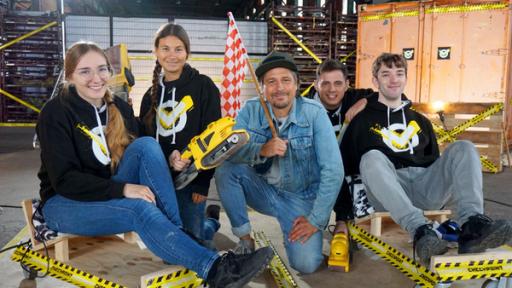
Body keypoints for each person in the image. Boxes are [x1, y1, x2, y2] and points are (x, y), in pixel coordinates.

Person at [37, 41, 273, 287]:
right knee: (141, 210)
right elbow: (64, 180)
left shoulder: (118, 108)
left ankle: (175, 234)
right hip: (64, 202)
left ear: (110, 71)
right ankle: (216, 270)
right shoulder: (55, 113)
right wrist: (124, 190)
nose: (96, 78)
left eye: (102, 69)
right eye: (85, 71)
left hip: (105, 188)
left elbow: (145, 156)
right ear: (70, 76)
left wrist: (170, 157)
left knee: (148, 145)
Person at [341, 52, 512, 265]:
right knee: (371, 157)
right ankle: (420, 231)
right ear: (375, 81)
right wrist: (343, 219)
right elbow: (345, 172)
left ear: (406, 78)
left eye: (399, 73)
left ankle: (472, 224)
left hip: (425, 188)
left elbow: (434, 163)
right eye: (386, 74)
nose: (394, 79)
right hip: (388, 190)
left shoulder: (421, 121)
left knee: (464, 147)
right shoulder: (361, 121)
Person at [215, 51, 343, 274]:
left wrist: (316, 220)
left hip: (300, 199)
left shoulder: (314, 114)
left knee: (306, 265)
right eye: (271, 82)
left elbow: (334, 171)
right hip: (263, 191)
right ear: (262, 88)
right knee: (227, 169)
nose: (279, 88)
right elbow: (231, 153)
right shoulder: (250, 110)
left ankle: (298, 235)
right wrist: (262, 149)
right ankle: (245, 242)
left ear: (297, 85)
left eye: (285, 80)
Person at [139, 23, 221, 246]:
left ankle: (211, 222)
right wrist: (168, 158)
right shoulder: (150, 95)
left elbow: (213, 138)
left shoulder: (204, 87)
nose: (172, 55)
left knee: (190, 243)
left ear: (187, 52)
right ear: (155, 52)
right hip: (161, 180)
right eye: (165, 48)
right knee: (167, 246)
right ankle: (210, 222)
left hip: (191, 179)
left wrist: (202, 184)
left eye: (178, 49)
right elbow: (145, 141)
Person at [307, 59, 373, 235]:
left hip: (347, 166)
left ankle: (343, 219)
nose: (332, 90)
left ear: (347, 85)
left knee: (344, 159)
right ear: (316, 85)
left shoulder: (355, 98)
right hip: (312, 169)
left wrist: (365, 102)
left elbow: (399, 98)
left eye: (338, 83)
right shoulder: (304, 107)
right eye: (325, 83)